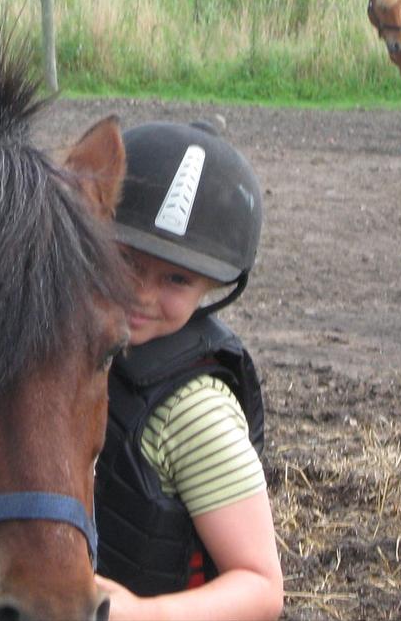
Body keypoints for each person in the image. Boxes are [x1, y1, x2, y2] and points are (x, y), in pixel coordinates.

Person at [94, 120, 284, 621]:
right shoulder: (59, 354)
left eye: (176, 278)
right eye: (126, 260)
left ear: (209, 288)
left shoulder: (196, 414)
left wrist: (137, 614)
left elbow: (262, 587)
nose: (141, 293)